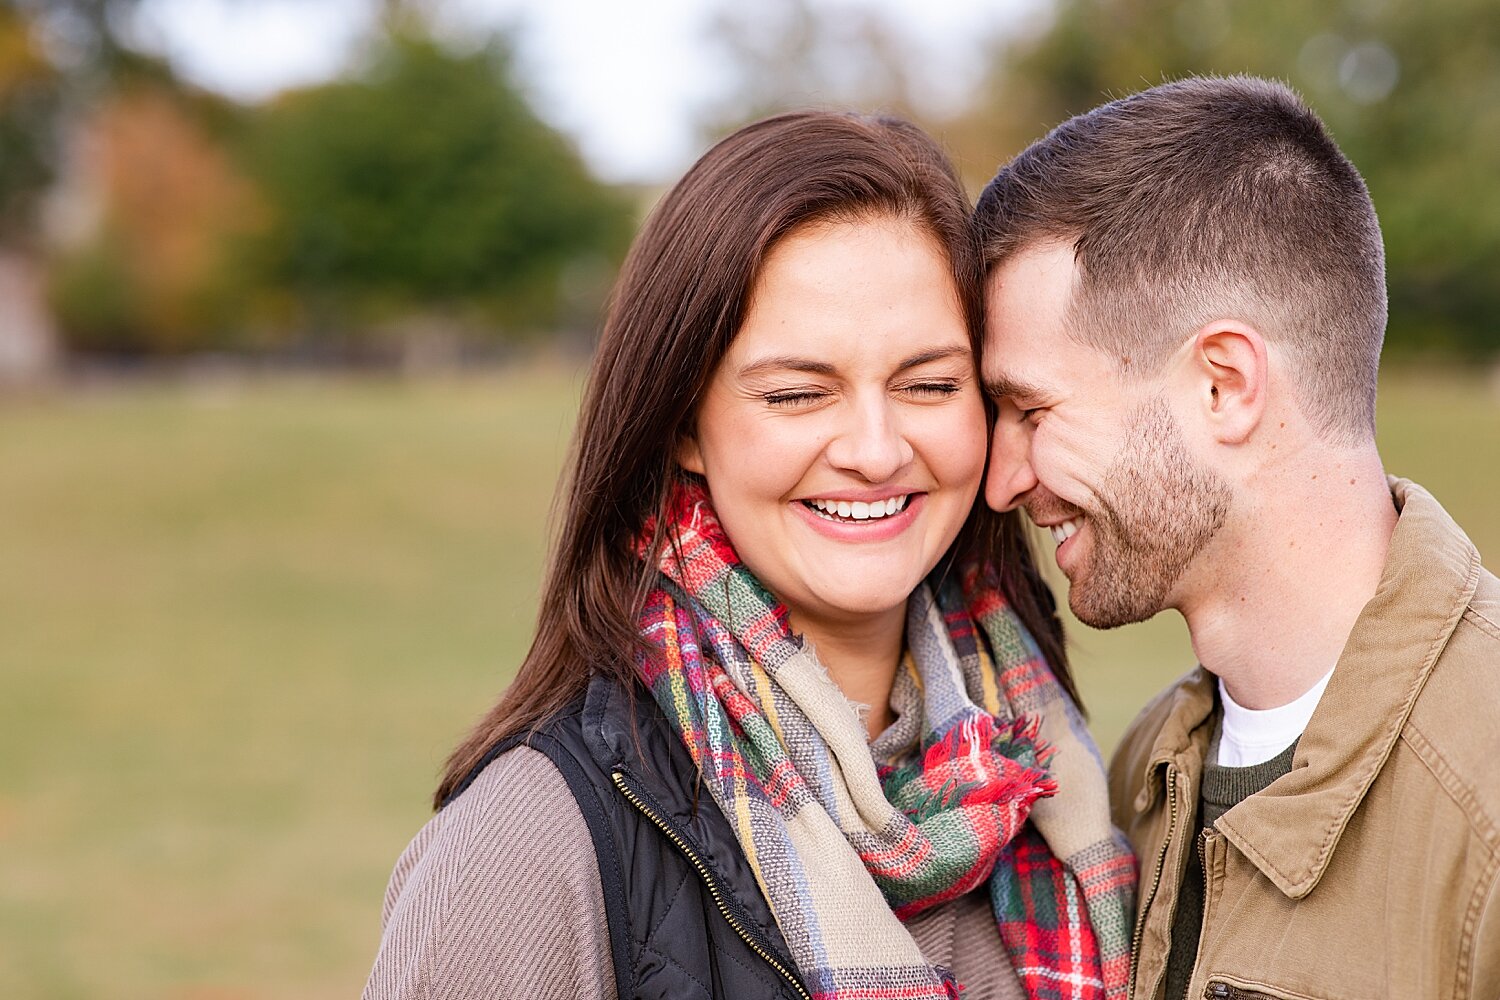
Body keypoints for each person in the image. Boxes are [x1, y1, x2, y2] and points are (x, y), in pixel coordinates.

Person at [362, 111, 1135, 1000]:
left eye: (929, 385)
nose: (876, 450)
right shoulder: (525, 850)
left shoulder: (1058, 786)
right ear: (685, 421)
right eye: (799, 393)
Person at [974, 74, 1500, 1000]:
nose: (1001, 480)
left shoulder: (1483, 797)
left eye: (1031, 409)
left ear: (1222, 384)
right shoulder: (1134, 779)